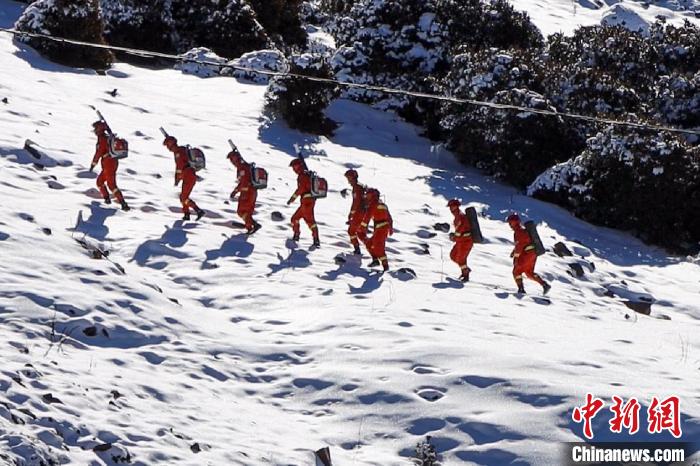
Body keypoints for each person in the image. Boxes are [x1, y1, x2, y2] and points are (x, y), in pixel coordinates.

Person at [90, 121, 129, 211]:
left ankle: (123, 203)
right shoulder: (107, 137)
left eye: (96, 128)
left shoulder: (102, 139)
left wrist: (93, 164)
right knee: (100, 181)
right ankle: (107, 199)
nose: (95, 130)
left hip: (109, 164)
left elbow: (98, 153)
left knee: (111, 185)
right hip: (110, 163)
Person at [507, 213, 551, 294]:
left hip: (527, 254)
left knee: (516, 271)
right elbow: (520, 244)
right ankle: (544, 285)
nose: (509, 225)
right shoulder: (522, 230)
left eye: (510, 222)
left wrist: (516, 258)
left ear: (514, 222)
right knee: (529, 273)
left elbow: (520, 246)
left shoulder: (518, 232)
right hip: (533, 253)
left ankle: (521, 290)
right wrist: (513, 252)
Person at [164, 135, 204, 221]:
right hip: (188, 175)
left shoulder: (178, 152)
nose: (168, 148)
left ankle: (198, 211)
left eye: (167, 145)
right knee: (183, 197)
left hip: (188, 175)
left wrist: (177, 179)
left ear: (171, 144)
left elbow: (179, 166)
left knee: (184, 198)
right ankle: (186, 214)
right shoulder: (181, 150)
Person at [227, 147, 261, 235]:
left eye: (231, 160)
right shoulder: (246, 166)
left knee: (241, 211)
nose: (232, 162)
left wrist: (237, 191)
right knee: (247, 212)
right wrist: (235, 191)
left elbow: (244, 182)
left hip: (247, 193)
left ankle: (254, 225)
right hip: (253, 192)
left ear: (235, 159)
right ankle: (249, 227)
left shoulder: (242, 167)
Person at [287, 158, 320, 247]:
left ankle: (313, 239)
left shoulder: (302, 176)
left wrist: (292, 199)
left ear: (298, 166)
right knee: (296, 218)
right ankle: (301, 236)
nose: (293, 169)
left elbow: (300, 189)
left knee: (308, 220)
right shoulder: (307, 174)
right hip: (309, 201)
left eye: (294, 167)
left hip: (306, 202)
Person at [358, 188, 393, 271]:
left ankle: (386, 267)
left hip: (381, 229)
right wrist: (390, 228)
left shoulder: (374, 203)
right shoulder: (383, 204)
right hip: (381, 228)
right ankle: (375, 260)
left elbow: (368, 216)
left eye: (368, 194)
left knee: (378, 247)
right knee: (369, 244)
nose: (366, 196)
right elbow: (389, 218)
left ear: (372, 195)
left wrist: (362, 227)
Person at [447, 199, 473, 281]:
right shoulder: (457, 216)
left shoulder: (460, 216)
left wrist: (454, 237)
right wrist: (455, 237)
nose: (450, 208)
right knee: (453, 256)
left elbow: (460, 231)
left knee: (460, 259)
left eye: (452, 206)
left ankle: (465, 274)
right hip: (460, 241)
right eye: (450, 207)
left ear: (457, 206)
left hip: (466, 241)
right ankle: (465, 270)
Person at [345, 169, 366, 255]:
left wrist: (351, 214)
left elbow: (356, 202)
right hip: (361, 213)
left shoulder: (357, 188)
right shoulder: (359, 186)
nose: (348, 180)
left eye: (349, 178)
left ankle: (357, 249)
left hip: (359, 213)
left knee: (351, 231)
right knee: (358, 232)